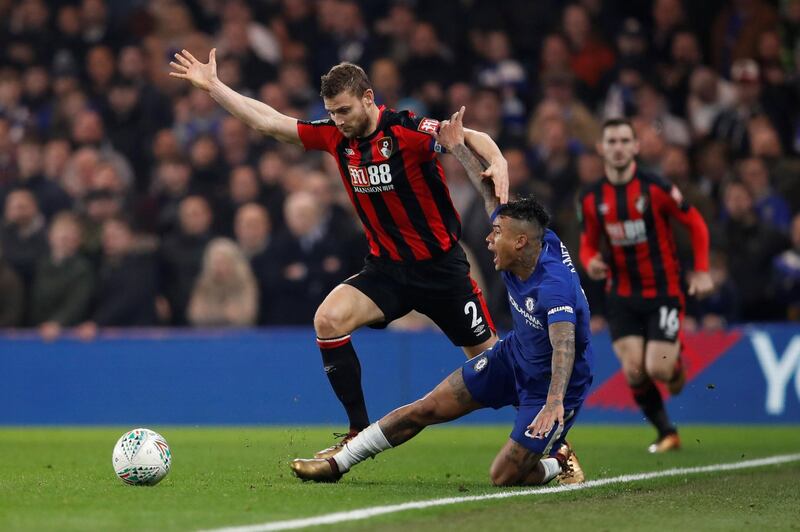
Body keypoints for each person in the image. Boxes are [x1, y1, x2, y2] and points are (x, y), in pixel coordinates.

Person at [170, 50, 509, 456]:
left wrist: (499, 161)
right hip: (387, 270)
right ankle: (356, 432)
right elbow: (271, 122)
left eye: (345, 110)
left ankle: (556, 445)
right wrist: (214, 87)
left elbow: (471, 136)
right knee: (328, 320)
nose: (339, 121)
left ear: (368, 98)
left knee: (494, 367)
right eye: (332, 113)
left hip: (443, 271)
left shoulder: (408, 130)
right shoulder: (335, 137)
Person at [290, 108, 592, 486]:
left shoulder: (553, 286)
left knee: (504, 476)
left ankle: (557, 461)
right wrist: (459, 150)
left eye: (496, 235)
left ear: (519, 242)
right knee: (427, 407)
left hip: (550, 384)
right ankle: (340, 463)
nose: (487, 240)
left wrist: (553, 404)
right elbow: (488, 198)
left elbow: (564, 345)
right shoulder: (528, 241)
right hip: (512, 356)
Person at [578, 118, 714, 453]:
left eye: (625, 140)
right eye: (612, 141)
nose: (619, 147)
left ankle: (675, 363)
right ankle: (667, 432)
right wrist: (590, 260)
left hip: (664, 291)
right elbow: (588, 243)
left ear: (636, 147)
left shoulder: (656, 187)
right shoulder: (591, 198)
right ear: (601, 148)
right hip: (621, 294)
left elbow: (695, 224)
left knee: (659, 369)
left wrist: (701, 270)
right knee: (635, 369)